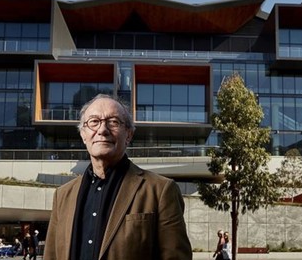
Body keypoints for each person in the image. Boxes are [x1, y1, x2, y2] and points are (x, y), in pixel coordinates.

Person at [44, 94, 192, 260]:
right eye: (94, 122)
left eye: (113, 122)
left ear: (128, 134)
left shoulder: (160, 190)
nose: (102, 130)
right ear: (83, 135)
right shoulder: (63, 195)